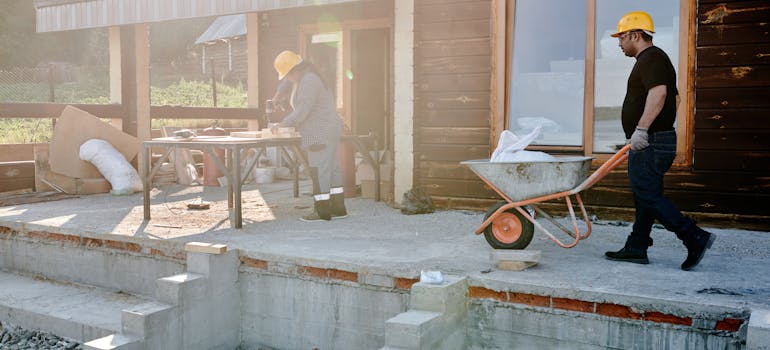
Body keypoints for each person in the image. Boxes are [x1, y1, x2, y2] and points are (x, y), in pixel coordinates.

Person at [604, 11, 715, 270]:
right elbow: (675, 99)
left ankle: (693, 236)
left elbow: (660, 93)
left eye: (621, 38)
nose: (619, 43)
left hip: (650, 141)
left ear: (635, 34)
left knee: (647, 194)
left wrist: (643, 130)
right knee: (646, 194)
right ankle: (637, 246)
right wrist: (658, 128)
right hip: (656, 138)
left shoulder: (651, 57)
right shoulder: (655, 59)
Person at [271, 50, 347, 221]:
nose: (287, 79)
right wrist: (278, 95)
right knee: (332, 168)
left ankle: (321, 211)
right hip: (328, 129)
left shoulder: (308, 82)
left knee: (319, 170)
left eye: (288, 75)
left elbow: (302, 111)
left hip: (319, 131)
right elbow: (287, 82)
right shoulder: (305, 75)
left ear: (294, 71)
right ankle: (338, 208)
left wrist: (282, 124)